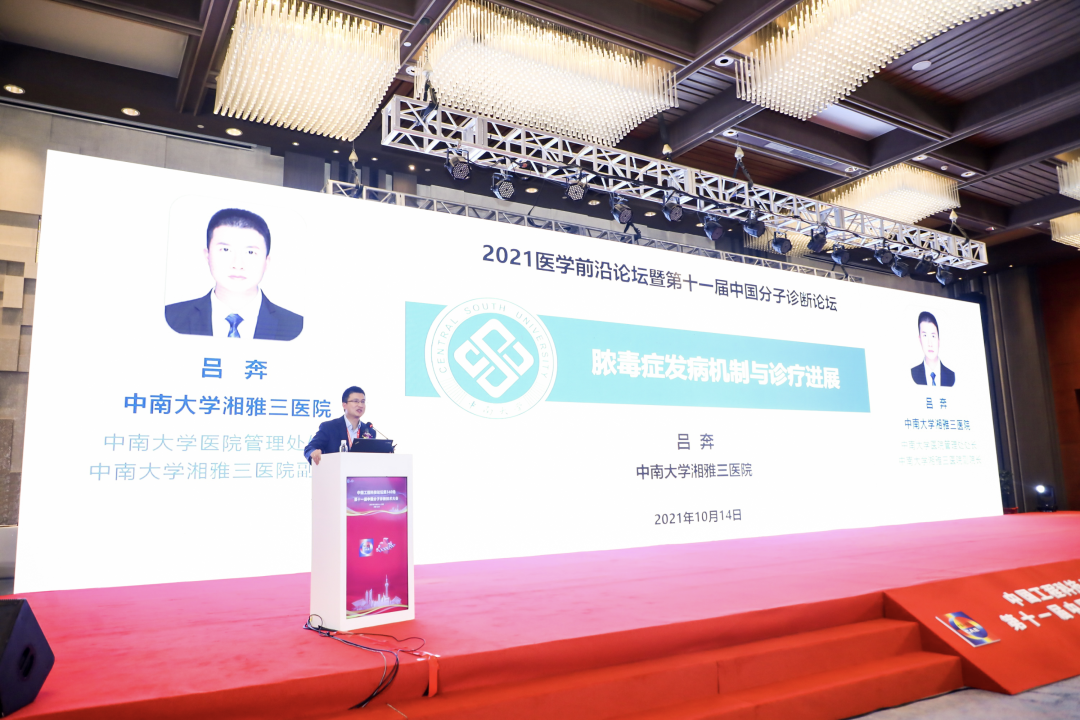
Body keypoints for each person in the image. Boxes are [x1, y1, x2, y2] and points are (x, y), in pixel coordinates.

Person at [165, 208, 303, 341]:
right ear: (207, 255)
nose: (237, 264)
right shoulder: (169, 318)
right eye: (225, 250)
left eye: (250, 252)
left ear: (267, 261)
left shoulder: (296, 328)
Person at [305, 386, 376, 465]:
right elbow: (309, 448)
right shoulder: (329, 427)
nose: (360, 405)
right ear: (344, 405)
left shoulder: (369, 431)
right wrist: (313, 452)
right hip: (334, 471)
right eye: (356, 401)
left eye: (363, 401)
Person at [910, 311, 955, 387]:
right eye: (925, 336)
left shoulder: (951, 376)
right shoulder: (912, 374)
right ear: (920, 339)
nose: (930, 343)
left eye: (933, 336)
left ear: (938, 340)